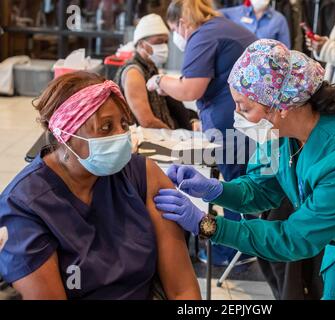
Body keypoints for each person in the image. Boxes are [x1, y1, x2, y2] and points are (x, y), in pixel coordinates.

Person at [154, 39, 335, 300]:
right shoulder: (281, 130)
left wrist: (211, 227)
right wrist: (219, 191)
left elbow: (296, 238)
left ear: (280, 106)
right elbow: (262, 188)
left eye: (244, 108)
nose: (237, 118)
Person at [0, 72, 201, 300]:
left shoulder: (143, 175)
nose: (121, 136)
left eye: (124, 124)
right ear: (66, 135)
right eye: (106, 127)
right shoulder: (24, 206)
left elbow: (183, 290)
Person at [146, 0, 258, 267]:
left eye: (174, 30)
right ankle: (250, 240)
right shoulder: (224, 27)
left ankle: (236, 249)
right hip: (246, 122)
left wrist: (160, 81)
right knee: (247, 182)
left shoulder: (202, 35)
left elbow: (190, 89)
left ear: (182, 23)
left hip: (233, 124)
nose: (176, 37)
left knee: (236, 186)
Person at [115, 14, 200, 130]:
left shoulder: (152, 69)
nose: (164, 47)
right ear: (141, 44)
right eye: (158, 42)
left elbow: (175, 106)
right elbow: (147, 122)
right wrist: (174, 136)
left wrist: (190, 121)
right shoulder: (133, 73)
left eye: (165, 42)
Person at [221, 0, 291, 48]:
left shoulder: (279, 19)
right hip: (237, 63)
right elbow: (212, 14)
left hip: (266, 66)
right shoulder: (233, 13)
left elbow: (285, 49)